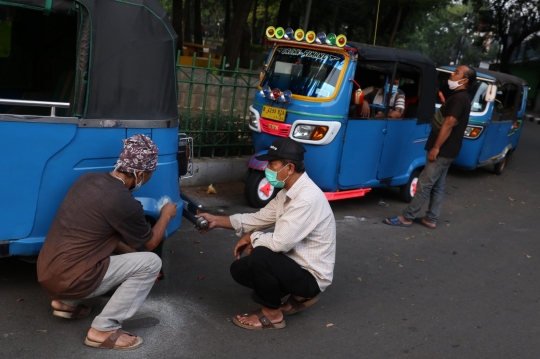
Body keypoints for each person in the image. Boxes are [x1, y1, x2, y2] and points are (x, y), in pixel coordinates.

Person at [37, 134, 177, 350]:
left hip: (49, 274)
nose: (149, 178)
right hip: (72, 279)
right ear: (140, 173)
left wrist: (130, 256)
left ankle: (65, 303)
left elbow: (102, 239)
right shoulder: (123, 201)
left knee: (120, 255)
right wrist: (166, 215)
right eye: (150, 174)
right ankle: (103, 329)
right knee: (151, 262)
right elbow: (149, 244)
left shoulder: (87, 180)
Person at [196, 138, 336, 330]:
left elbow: (279, 243)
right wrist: (216, 220)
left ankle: (273, 314)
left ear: (289, 168)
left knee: (261, 255)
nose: (267, 168)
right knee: (240, 270)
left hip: (310, 276)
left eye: (272, 164)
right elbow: (258, 218)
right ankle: (295, 296)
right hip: (293, 266)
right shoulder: (286, 192)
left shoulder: (306, 198)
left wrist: (252, 237)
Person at [383, 65, 476, 228]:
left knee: (424, 184)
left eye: (456, 72)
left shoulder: (459, 99)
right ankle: (431, 218)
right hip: (450, 150)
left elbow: (449, 123)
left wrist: (436, 147)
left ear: (465, 80)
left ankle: (407, 217)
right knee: (438, 185)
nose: (452, 75)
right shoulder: (463, 97)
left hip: (443, 150)